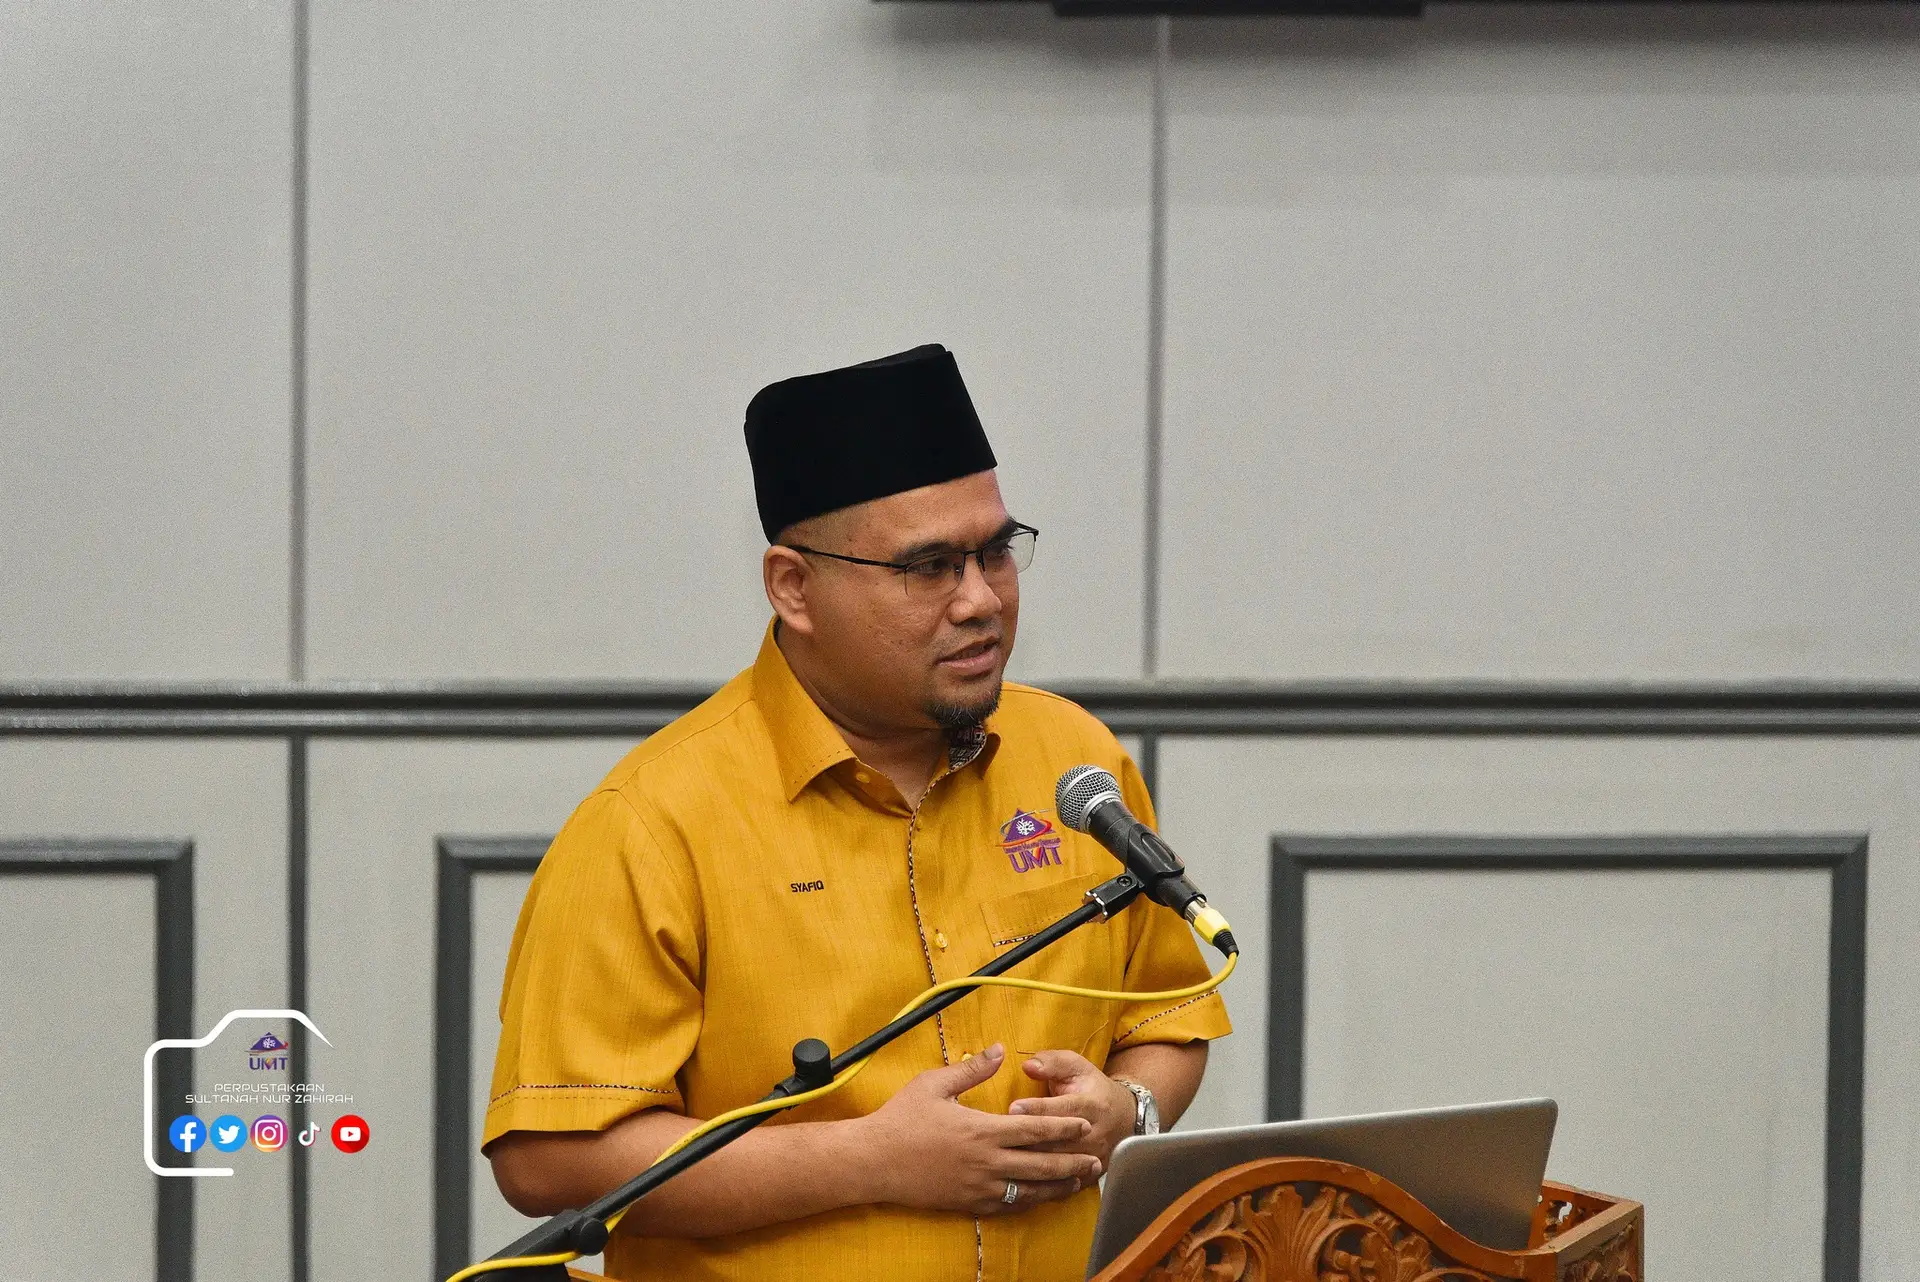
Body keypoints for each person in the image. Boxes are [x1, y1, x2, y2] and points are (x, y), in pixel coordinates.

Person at [482, 344, 1231, 1282]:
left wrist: (1128, 1109)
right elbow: (548, 1158)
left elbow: (1166, 1020)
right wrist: (866, 1160)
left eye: (995, 552)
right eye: (929, 567)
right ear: (794, 588)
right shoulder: (652, 821)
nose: (980, 601)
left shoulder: (1073, 760)